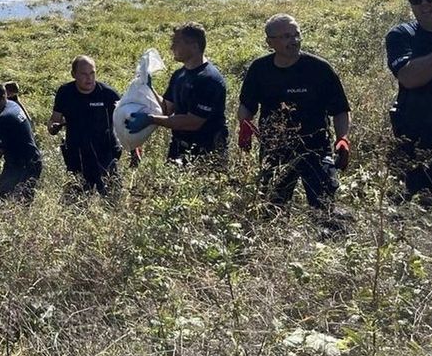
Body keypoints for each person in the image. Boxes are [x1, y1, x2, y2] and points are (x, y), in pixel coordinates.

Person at [238, 14, 351, 213]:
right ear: (270, 42)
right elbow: (246, 106)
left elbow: (340, 110)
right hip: (275, 150)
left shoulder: (319, 69)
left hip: (315, 149)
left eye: (296, 34)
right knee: (272, 209)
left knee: (324, 208)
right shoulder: (259, 69)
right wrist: (245, 127)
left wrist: (343, 138)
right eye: (285, 36)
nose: (294, 40)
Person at [385, 0, 432, 204]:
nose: (424, 4)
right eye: (416, 0)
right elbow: (409, 77)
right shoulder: (403, 35)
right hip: (417, 137)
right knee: (415, 210)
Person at [125, 22, 228, 164]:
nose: (171, 47)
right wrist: (149, 88)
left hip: (206, 151)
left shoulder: (209, 79)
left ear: (194, 46)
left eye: (176, 43)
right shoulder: (179, 74)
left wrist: (151, 119)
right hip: (178, 147)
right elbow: (166, 109)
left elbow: (192, 122)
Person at [49, 55, 123, 198]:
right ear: (74, 74)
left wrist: (134, 149)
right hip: (77, 156)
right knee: (75, 202)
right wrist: (54, 127)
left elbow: (126, 122)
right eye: (84, 74)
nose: (89, 78)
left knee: (112, 199)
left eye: (92, 73)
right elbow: (54, 120)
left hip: (105, 155)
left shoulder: (108, 94)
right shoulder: (65, 93)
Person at [0, 81, 43, 203]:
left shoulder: (4, 117)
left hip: (22, 166)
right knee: (17, 204)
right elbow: (3, 131)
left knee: (3, 203)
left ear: (3, 97)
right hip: (30, 161)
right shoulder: (12, 105)